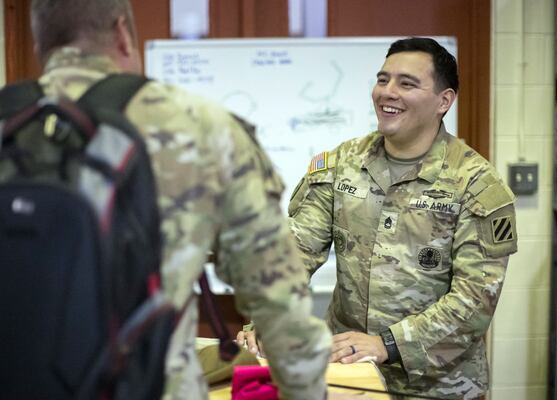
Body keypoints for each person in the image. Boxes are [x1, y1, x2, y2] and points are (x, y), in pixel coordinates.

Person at [28, 1, 335, 399]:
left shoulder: (11, 122)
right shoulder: (201, 125)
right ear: (122, 33)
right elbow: (277, 298)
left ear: (40, 43)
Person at [240, 37, 518, 399]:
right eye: (383, 79)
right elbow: (296, 250)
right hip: (348, 378)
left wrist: (386, 344)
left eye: (407, 83)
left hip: (439, 387)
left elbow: (475, 300)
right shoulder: (340, 165)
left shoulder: (476, 185)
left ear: (443, 101)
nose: (388, 92)